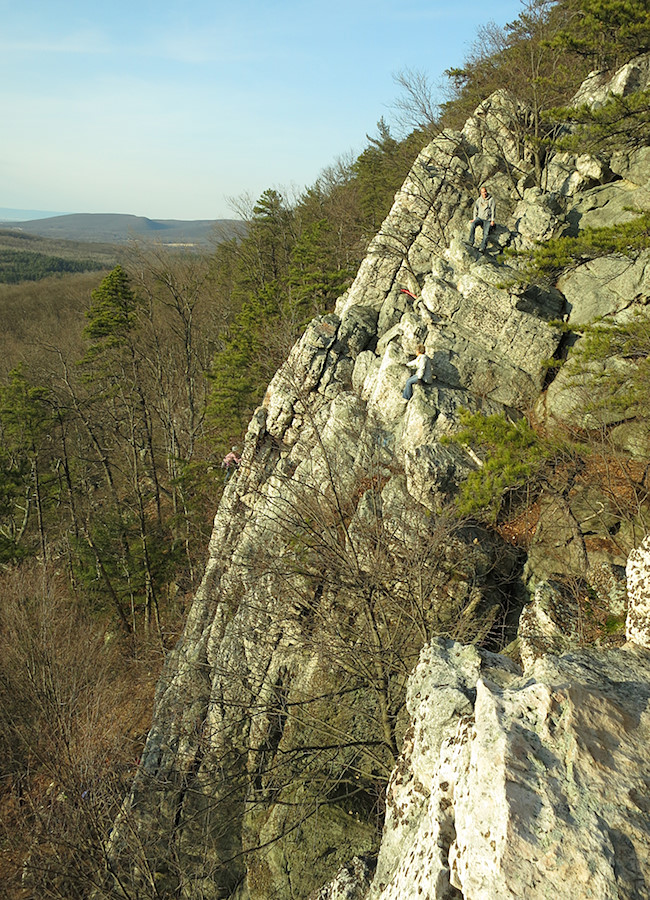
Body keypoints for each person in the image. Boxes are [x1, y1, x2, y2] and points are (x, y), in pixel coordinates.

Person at [468, 185, 496, 253]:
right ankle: (471, 241)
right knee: (473, 225)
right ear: (481, 193)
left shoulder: (491, 200)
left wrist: (492, 220)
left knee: (486, 233)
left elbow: (493, 210)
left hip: (487, 219)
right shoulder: (479, 200)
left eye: (485, 192)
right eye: (483, 192)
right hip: (480, 218)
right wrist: (474, 218)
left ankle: (482, 247)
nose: (484, 193)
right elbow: (475, 209)